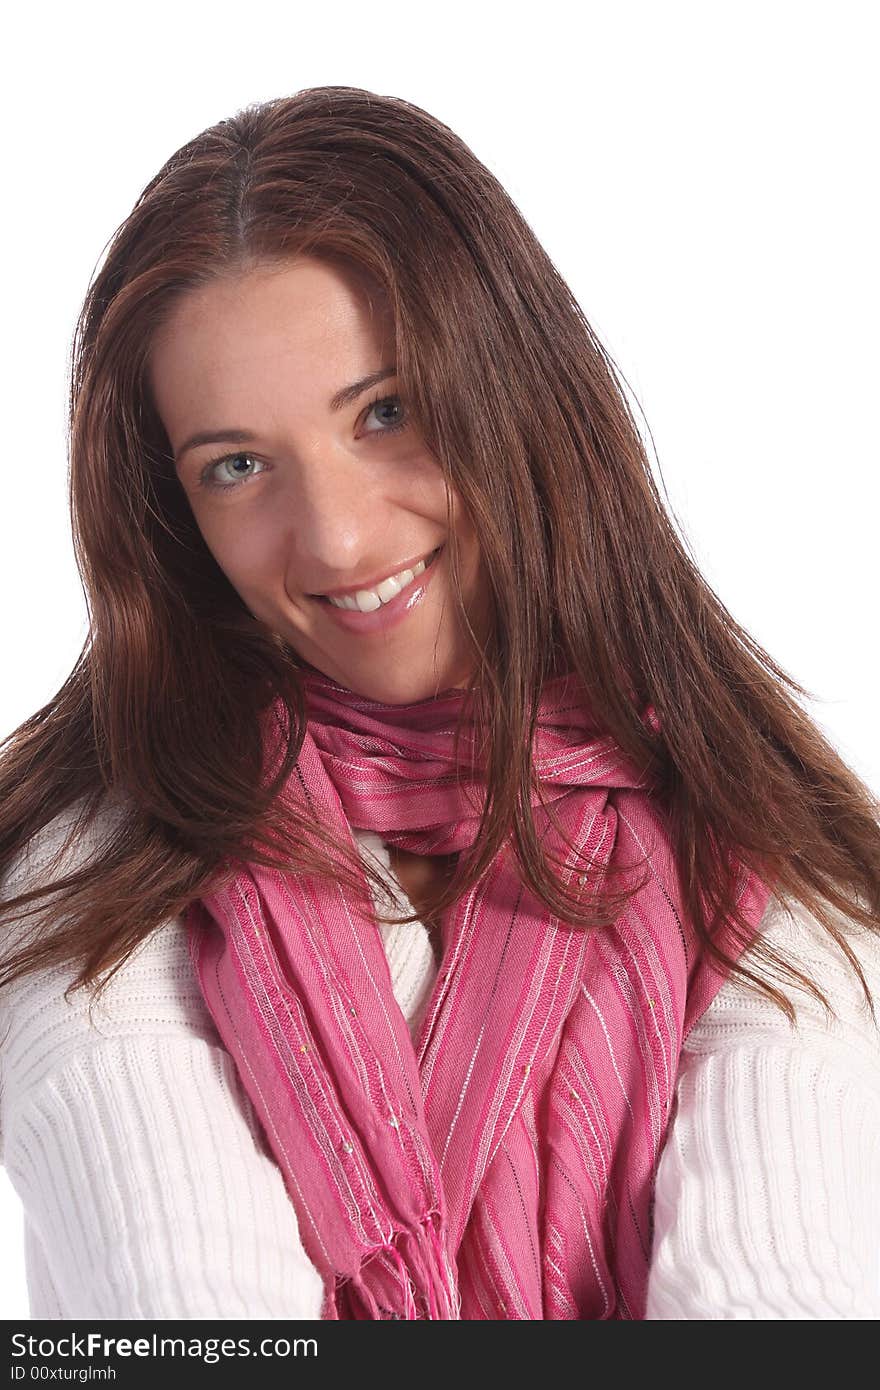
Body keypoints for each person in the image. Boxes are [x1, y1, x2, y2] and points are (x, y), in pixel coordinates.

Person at [1, 85, 879, 1321]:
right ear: (171, 515)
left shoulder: (760, 855)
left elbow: (776, 1304)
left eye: (387, 412)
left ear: (519, 396)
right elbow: (188, 1309)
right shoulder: (88, 875)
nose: (340, 534)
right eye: (237, 466)